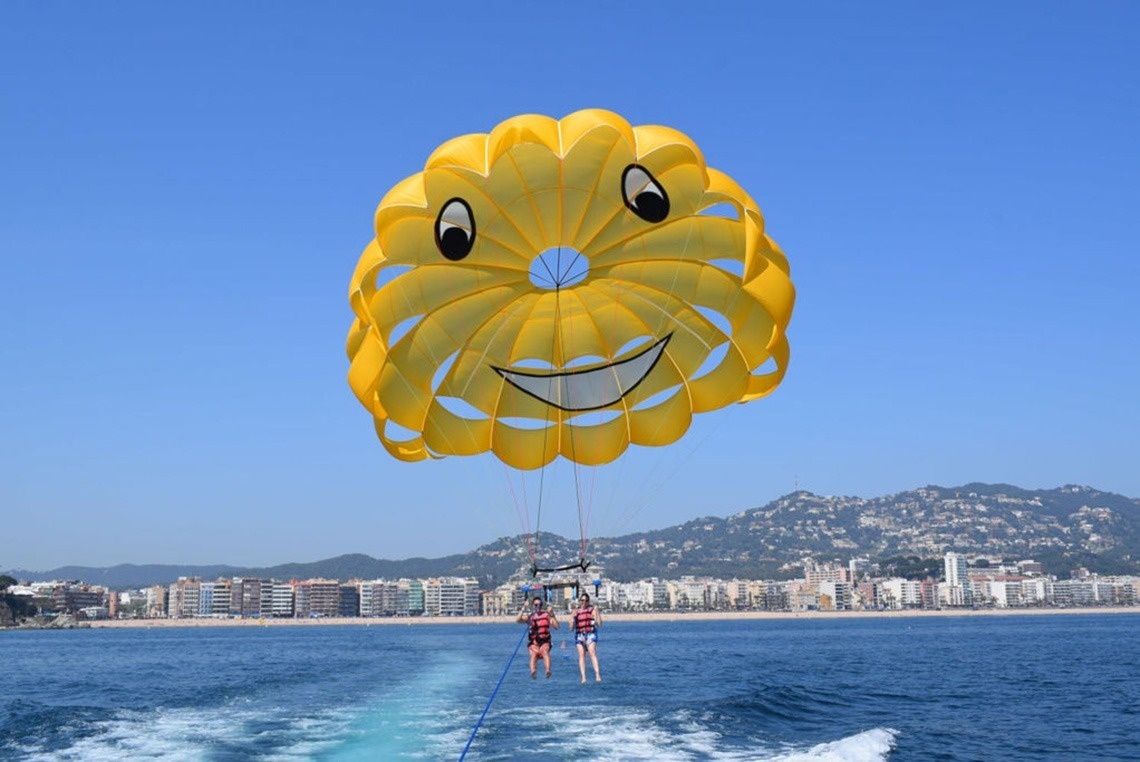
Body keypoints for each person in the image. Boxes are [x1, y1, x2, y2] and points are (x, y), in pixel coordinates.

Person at [517, 596, 559, 679]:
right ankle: (533, 671)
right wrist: (523, 608)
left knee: (544, 652)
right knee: (534, 654)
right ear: (533, 606)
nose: (538, 607)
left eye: (540, 605)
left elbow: (557, 626)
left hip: (545, 641)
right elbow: (518, 620)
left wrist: (552, 614)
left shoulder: (547, 615)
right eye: (536, 605)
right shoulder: (530, 617)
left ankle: (547, 670)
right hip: (534, 642)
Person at [571, 592, 602, 683]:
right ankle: (583, 677)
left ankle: (597, 674)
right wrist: (573, 618)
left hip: (590, 634)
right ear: (580, 601)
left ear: (588, 602)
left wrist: (597, 612)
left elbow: (599, 624)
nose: (584, 602)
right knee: (581, 654)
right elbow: (571, 628)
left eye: (586, 601)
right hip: (580, 635)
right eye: (582, 600)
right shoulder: (576, 611)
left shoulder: (592, 610)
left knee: (592, 651)